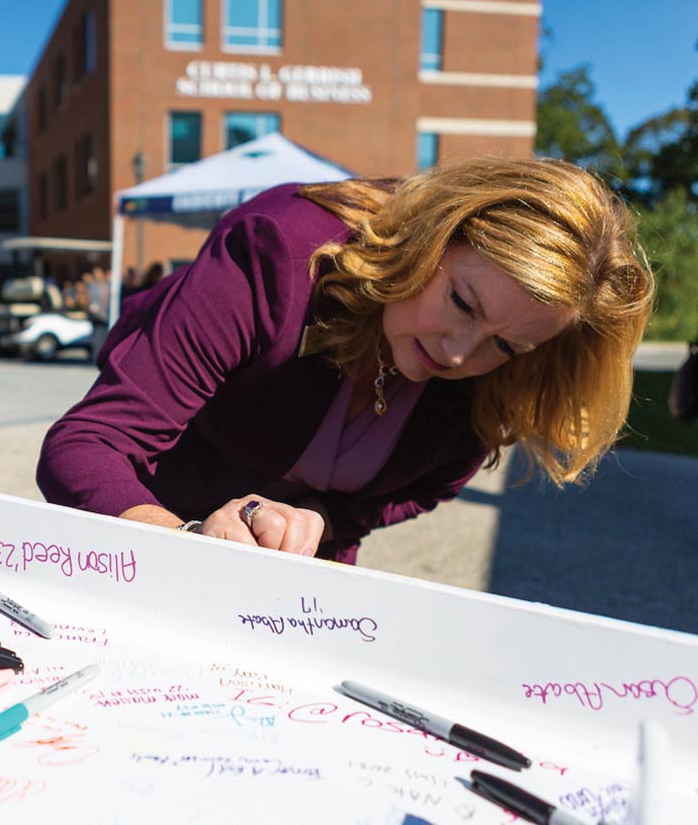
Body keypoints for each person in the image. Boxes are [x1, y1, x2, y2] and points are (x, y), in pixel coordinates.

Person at [38, 158, 654, 564]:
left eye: (505, 345)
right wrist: (186, 542)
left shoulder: (505, 376)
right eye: (463, 302)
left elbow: (418, 489)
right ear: (434, 234)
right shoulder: (282, 253)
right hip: (150, 533)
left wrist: (320, 517)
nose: (460, 352)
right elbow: (87, 443)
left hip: (304, 586)